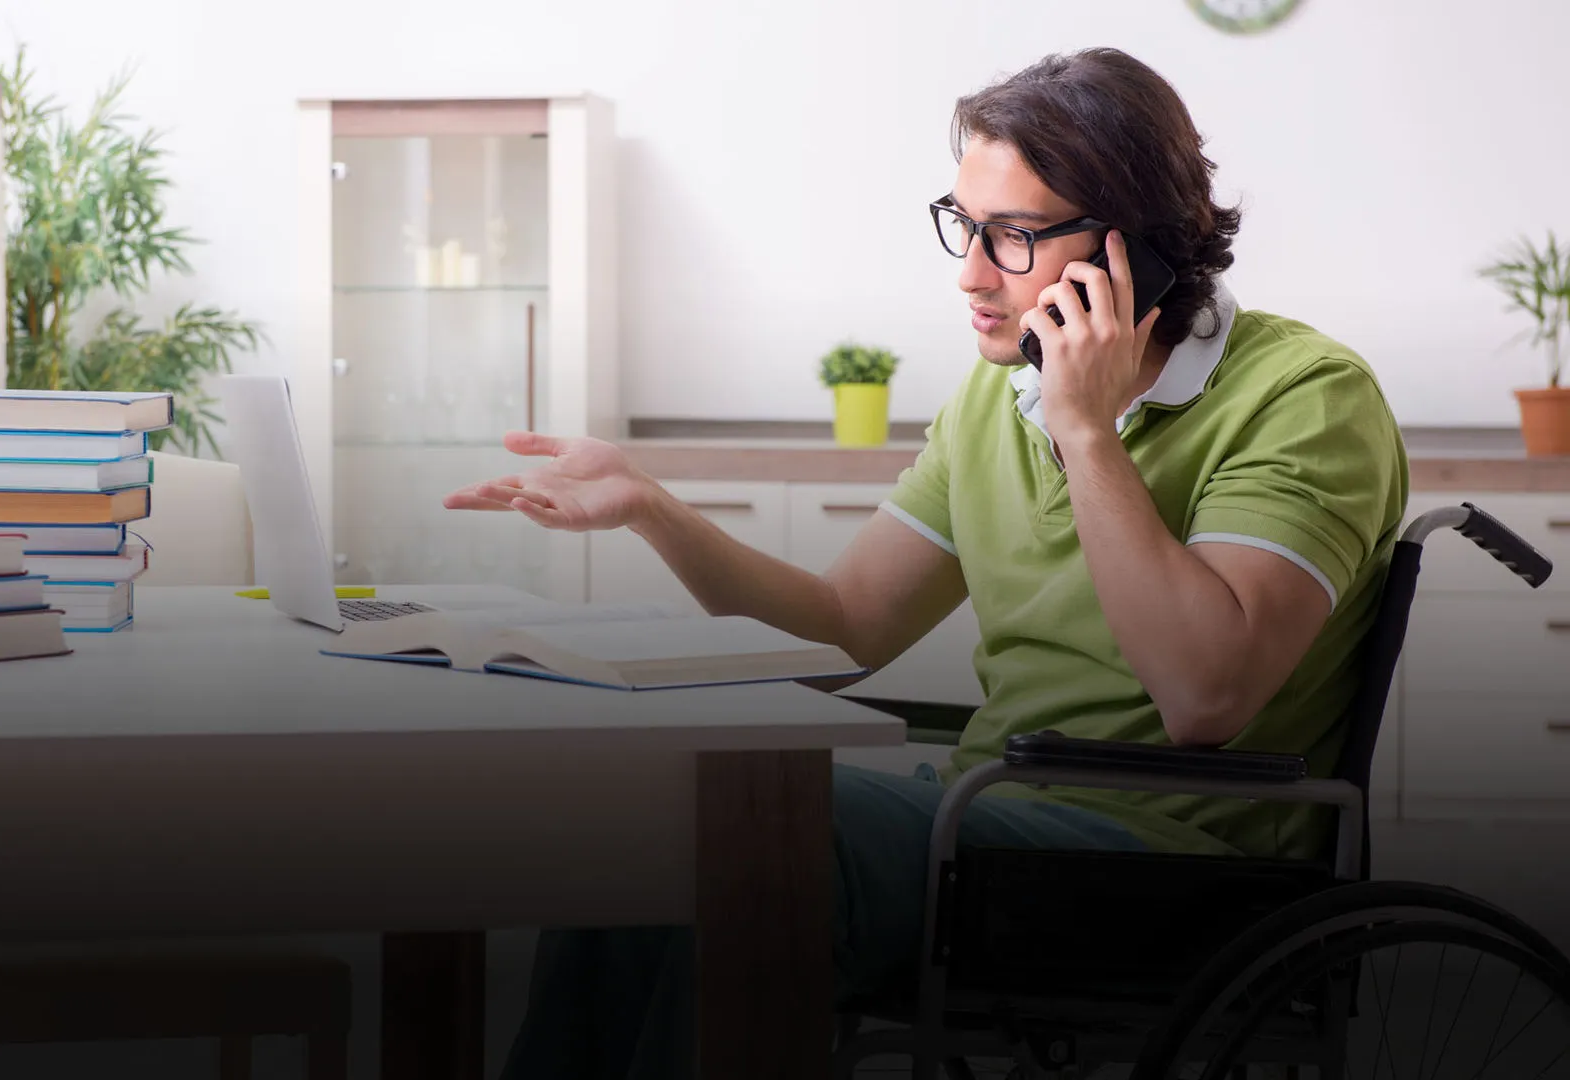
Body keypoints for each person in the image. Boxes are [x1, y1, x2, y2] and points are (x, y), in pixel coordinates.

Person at [444, 46, 1408, 1079]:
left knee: (743, 828)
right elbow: (845, 625)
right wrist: (653, 509)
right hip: (996, 820)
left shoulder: (1303, 398)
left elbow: (1206, 694)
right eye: (964, 224)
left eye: (1013, 236)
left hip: (1183, 873)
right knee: (654, 811)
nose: (971, 272)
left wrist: (1088, 432)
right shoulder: (993, 401)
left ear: (1133, 253)